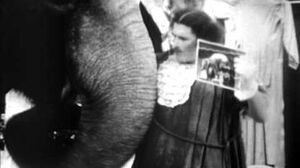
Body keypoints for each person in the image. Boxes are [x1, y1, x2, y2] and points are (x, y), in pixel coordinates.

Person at [132, 8, 268, 168]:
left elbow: (262, 116)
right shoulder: (159, 63)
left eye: (183, 38)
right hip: (154, 159)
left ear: (203, 42)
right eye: (173, 36)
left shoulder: (218, 69)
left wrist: (249, 86)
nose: (174, 44)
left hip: (207, 162)